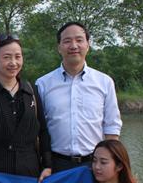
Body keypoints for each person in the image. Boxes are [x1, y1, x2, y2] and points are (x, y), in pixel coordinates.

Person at [36, 21, 122, 172]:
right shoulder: (43, 84)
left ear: (88, 45)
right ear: (59, 47)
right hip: (55, 165)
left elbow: (112, 127)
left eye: (79, 40)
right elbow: (37, 130)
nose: (73, 46)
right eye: (67, 41)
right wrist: (44, 164)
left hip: (93, 166)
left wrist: (110, 164)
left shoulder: (104, 82)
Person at [0, 33, 52, 182]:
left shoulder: (32, 91)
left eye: (18, 56)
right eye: (7, 57)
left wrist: (48, 165)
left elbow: (43, 130)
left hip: (31, 173)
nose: (13, 62)